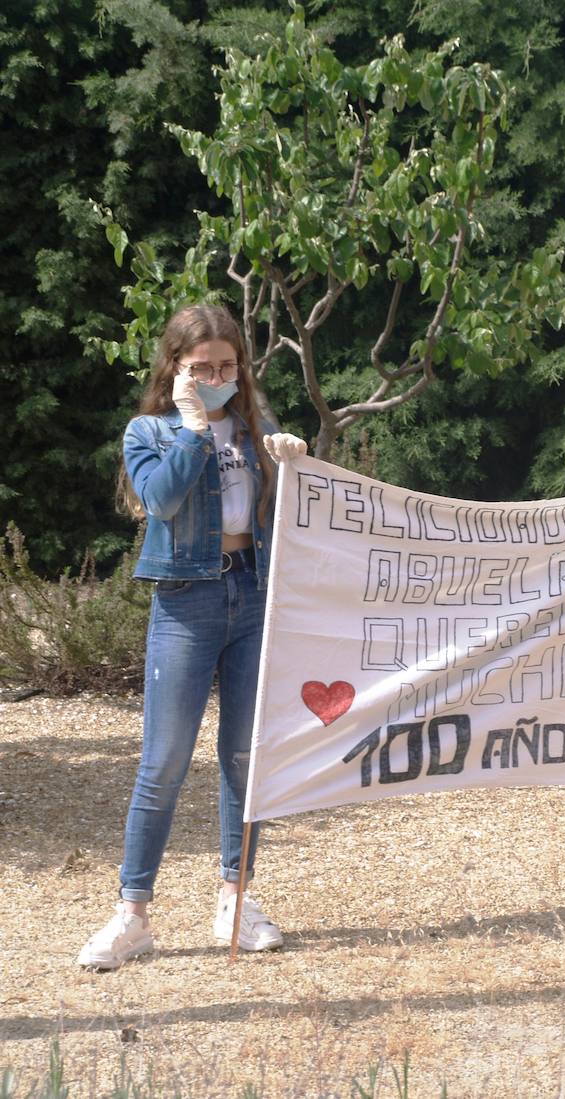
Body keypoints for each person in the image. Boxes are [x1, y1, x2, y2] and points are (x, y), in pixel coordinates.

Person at [77, 303, 308, 969]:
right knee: (165, 761)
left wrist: (293, 457)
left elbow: (291, 508)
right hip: (186, 601)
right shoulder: (148, 430)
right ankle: (133, 915)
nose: (215, 375)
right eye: (200, 366)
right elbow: (164, 499)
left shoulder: (253, 427)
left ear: (241, 368)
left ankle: (235, 898)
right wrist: (192, 424)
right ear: (175, 368)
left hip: (253, 595)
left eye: (226, 366)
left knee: (244, 755)